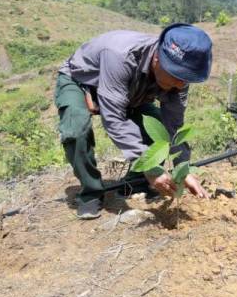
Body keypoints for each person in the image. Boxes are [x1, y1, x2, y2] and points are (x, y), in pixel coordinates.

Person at [54, 23, 212, 219]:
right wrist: (150, 166)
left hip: (130, 92)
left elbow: (174, 126)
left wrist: (183, 169)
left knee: (158, 127)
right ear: (157, 58)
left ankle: (136, 182)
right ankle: (91, 193)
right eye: (177, 76)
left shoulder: (179, 79)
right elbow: (114, 119)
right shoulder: (119, 54)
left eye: (187, 79)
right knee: (76, 128)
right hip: (82, 81)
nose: (181, 84)